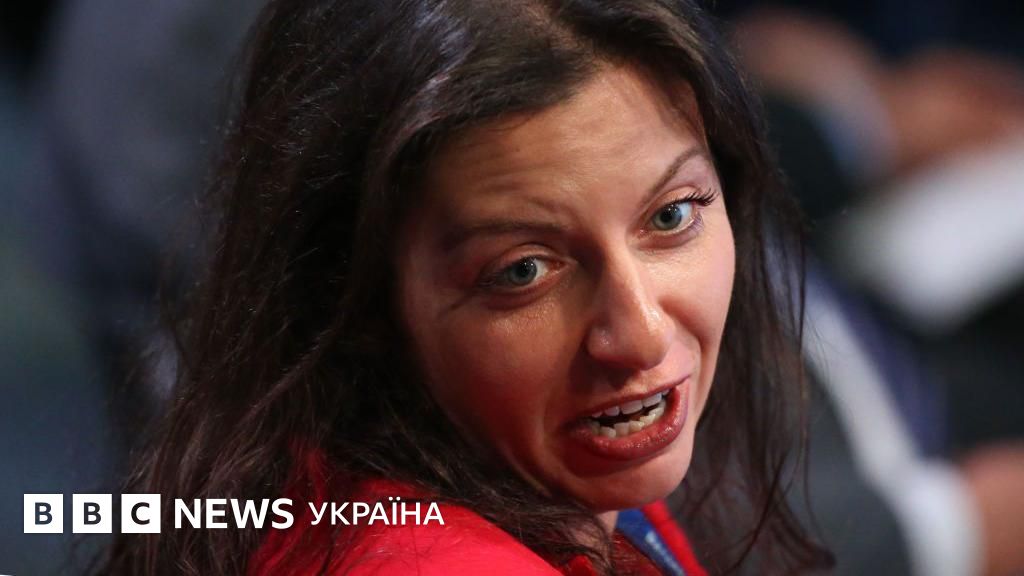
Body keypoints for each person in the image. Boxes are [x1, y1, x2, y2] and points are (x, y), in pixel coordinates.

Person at [102, 1, 832, 574]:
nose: (640, 332)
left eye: (671, 216)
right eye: (522, 271)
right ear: (357, 301)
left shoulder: (561, 491)